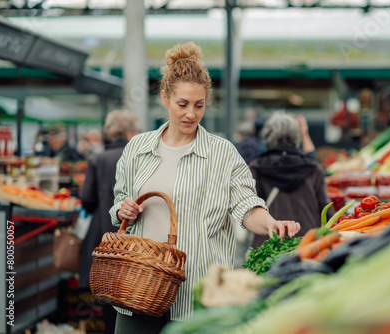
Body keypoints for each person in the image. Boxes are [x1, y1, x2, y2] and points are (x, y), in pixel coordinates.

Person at [108, 42, 300, 332]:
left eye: (199, 105)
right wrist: (124, 209)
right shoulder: (137, 148)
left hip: (197, 295)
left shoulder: (222, 153)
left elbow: (246, 204)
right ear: (164, 98)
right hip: (139, 288)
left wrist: (272, 224)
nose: (191, 114)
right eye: (182, 104)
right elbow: (120, 199)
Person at [79, 110, 140, 334]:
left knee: (108, 296)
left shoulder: (97, 159)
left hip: (103, 237)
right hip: (134, 238)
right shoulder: (138, 156)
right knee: (134, 296)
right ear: (130, 131)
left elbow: (87, 199)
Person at [248, 112, 332, 249]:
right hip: (307, 245)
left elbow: (249, 209)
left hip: (266, 247)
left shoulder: (255, 168)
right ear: (297, 140)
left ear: (267, 139)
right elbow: (327, 210)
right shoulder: (312, 168)